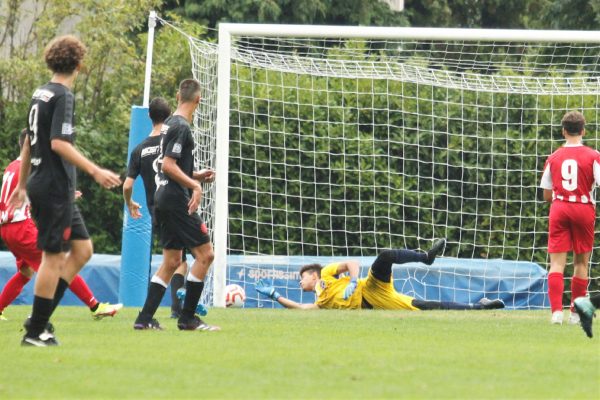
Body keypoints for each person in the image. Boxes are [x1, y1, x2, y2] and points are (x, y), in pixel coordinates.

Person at [8, 35, 122, 346]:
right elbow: (59, 144)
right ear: (80, 64)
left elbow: (30, 142)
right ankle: (35, 331)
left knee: (83, 250)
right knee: (52, 258)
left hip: (46, 185)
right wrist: (95, 170)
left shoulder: (40, 92)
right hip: (54, 186)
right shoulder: (62, 96)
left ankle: (38, 319)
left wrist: (21, 184)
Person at [0, 130, 122, 321]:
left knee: (25, 272)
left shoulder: (12, 167)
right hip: (20, 226)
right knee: (60, 264)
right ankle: (95, 306)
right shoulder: (30, 166)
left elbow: (29, 193)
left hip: (7, 228)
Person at [133, 79, 217, 331]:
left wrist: (195, 175)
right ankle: (188, 318)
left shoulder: (168, 124)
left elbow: (168, 165)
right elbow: (169, 166)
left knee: (171, 261)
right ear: (198, 100)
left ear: (178, 96)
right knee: (205, 254)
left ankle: (144, 318)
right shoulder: (181, 126)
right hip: (174, 198)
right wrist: (195, 186)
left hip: (161, 198)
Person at [256, 239, 505, 311]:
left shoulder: (327, 274)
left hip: (369, 287)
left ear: (312, 275)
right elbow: (301, 309)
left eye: (302, 277)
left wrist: (353, 281)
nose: (300, 282)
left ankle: (426, 258)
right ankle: (479, 307)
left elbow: (352, 263)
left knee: (385, 256)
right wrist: (276, 296)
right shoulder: (320, 301)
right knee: (425, 306)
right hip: (376, 302)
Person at [123, 97, 191, 319]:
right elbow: (178, 169)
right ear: (169, 113)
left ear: (149, 117)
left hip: (156, 208)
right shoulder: (171, 138)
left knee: (175, 258)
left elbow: (127, 185)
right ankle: (178, 308)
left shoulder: (139, 149)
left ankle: (166, 311)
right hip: (175, 201)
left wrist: (130, 203)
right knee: (183, 258)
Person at [540, 111, 600, 325]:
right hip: (583, 208)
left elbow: (546, 193)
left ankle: (556, 313)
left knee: (556, 263)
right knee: (581, 263)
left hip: (560, 208)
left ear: (563, 131)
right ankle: (575, 313)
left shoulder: (554, 157)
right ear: (583, 131)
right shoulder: (594, 156)